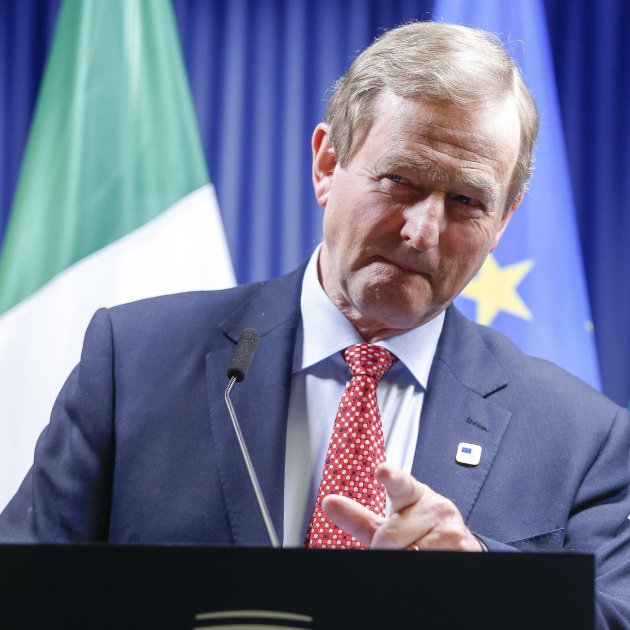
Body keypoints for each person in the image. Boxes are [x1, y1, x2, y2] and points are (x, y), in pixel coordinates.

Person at [0, 20, 628, 626]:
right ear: (328, 163)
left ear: (504, 220)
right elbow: (22, 590)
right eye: (400, 180)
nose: (422, 232)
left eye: (466, 201)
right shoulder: (135, 363)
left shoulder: (583, 438)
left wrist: (486, 577)